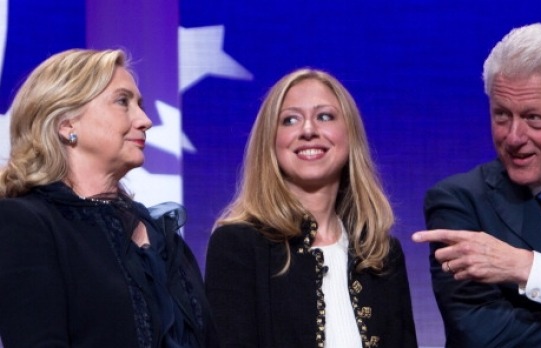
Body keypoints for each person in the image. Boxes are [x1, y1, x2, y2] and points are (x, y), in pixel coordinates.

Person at [412, 23, 541, 347]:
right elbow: (483, 336)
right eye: (501, 115)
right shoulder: (459, 201)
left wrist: (527, 268)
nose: (513, 137)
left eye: (534, 117)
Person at [0, 49, 216, 347]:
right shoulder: (26, 223)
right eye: (122, 102)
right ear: (67, 124)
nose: (145, 120)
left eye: (139, 104)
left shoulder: (163, 235)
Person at [205, 68, 418, 348]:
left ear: (350, 135)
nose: (308, 130)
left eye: (325, 116)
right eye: (290, 120)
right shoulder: (236, 246)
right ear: (270, 141)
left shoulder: (381, 253)